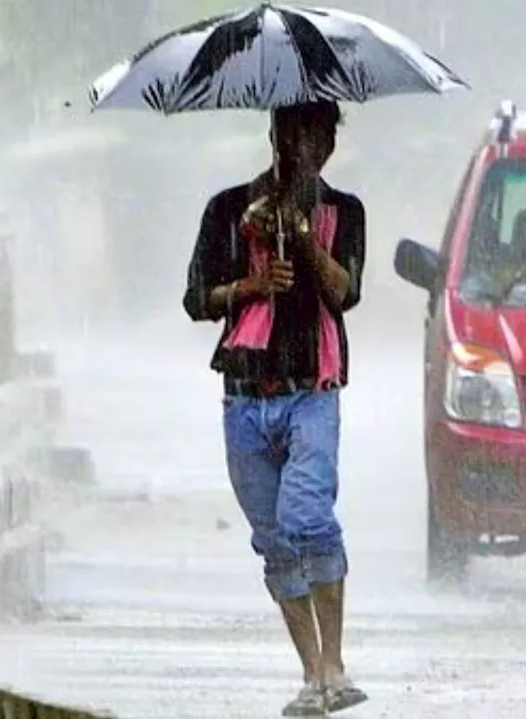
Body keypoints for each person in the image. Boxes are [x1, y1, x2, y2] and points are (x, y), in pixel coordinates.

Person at [182, 100, 367, 717]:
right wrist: (252, 285)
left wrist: (307, 240)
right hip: (245, 395)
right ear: (273, 137)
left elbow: (346, 291)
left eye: (315, 139)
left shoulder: (345, 213)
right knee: (273, 538)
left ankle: (336, 663)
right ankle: (311, 673)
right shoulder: (228, 210)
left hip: (313, 390)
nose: (301, 150)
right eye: (291, 136)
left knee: (308, 516)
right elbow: (196, 298)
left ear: (329, 147)